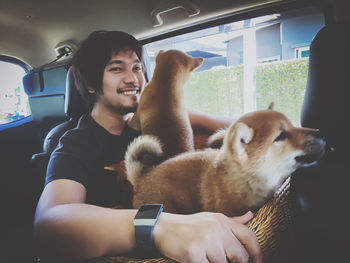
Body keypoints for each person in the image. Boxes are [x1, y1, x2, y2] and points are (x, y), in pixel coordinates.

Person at [33, 30, 262, 263]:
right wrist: (159, 225)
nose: (133, 78)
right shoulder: (75, 143)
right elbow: (50, 223)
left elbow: (242, 128)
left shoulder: (161, 115)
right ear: (91, 84)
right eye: (116, 68)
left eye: (136, 68)